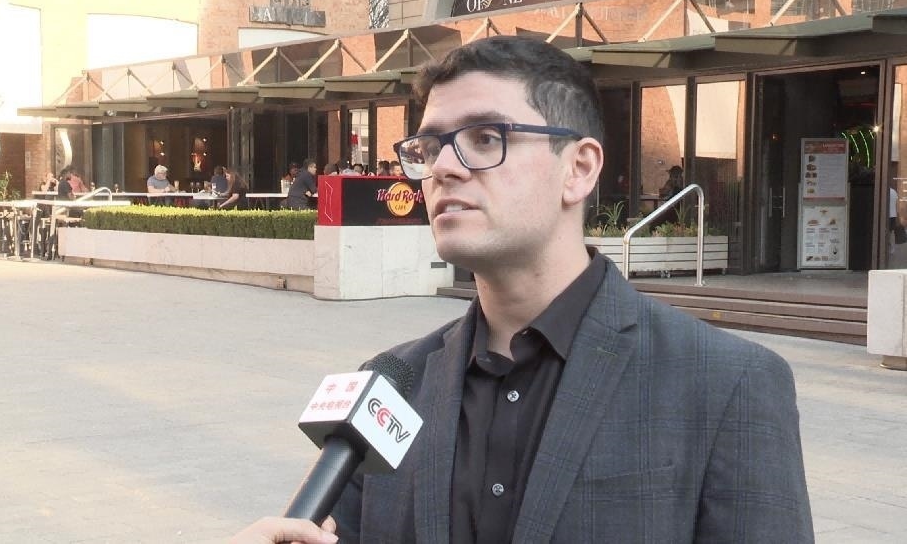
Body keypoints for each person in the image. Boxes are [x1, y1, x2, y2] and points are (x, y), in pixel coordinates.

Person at [237, 36, 812, 543]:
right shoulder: (393, 385)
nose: (444, 168)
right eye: (430, 148)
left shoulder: (727, 383)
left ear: (579, 169)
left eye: (486, 138)